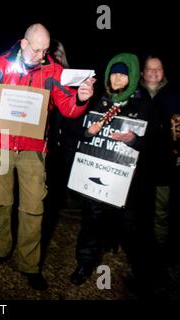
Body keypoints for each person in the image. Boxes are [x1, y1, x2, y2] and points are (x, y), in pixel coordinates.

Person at [0, 23, 94, 291]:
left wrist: (82, 99)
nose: (42, 55)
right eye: (37, 49)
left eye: (46, 50)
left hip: (34, 148)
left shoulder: (53, 70)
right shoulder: (0, 65)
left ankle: (28, 264)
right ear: (24, 44)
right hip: (0, 143)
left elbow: (69, 107)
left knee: (34, 207)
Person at [70, 53, 155, 296]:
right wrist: (88, 132)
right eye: (114, 73)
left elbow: (155, 144)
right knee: (91, 223)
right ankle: (84, 264)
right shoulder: (100, 100)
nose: (117, 78)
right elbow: (78, 132)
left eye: (123, 73)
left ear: (133, 76)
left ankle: (142, 272)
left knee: (131, 228)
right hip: (96, 177)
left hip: (127, 184)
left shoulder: (144, 104)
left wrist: (134, 139)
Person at [139, 55, 180, 264]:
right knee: (136, 207)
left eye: (159, 69)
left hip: (164, 163)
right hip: (137, 163)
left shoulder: (174, 95)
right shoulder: (135, 93)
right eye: (150, 69)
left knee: (161, 209)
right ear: (142, 72)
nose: (154, 73)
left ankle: (160, 251)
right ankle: (136, 247)